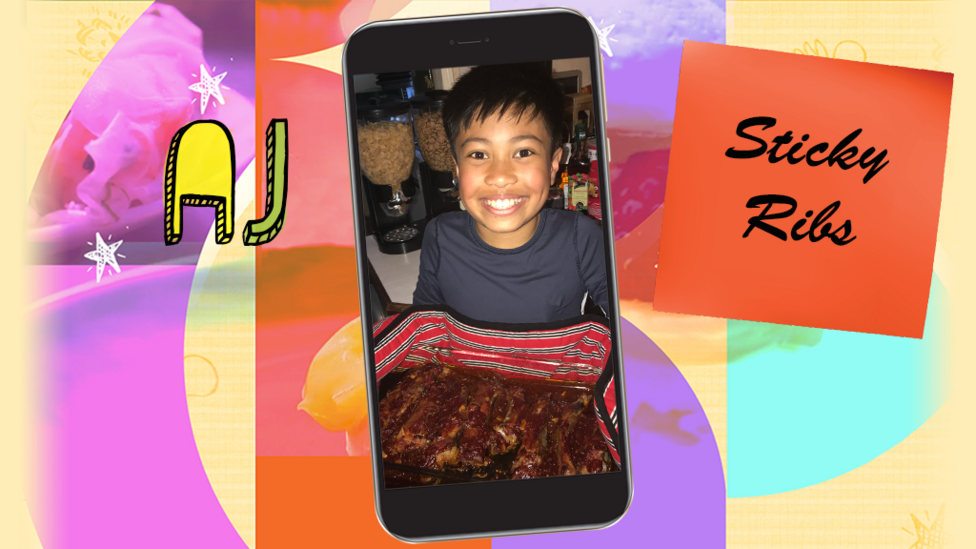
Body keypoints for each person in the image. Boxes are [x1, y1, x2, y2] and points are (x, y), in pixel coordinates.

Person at [412, 64, 608, 324]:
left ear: (553, 165)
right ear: (457, 168)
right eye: (479, 154)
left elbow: (631, 326)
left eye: (523, 152)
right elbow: (422, 327)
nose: (500, 176)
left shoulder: (581, 239)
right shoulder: (439, 236)